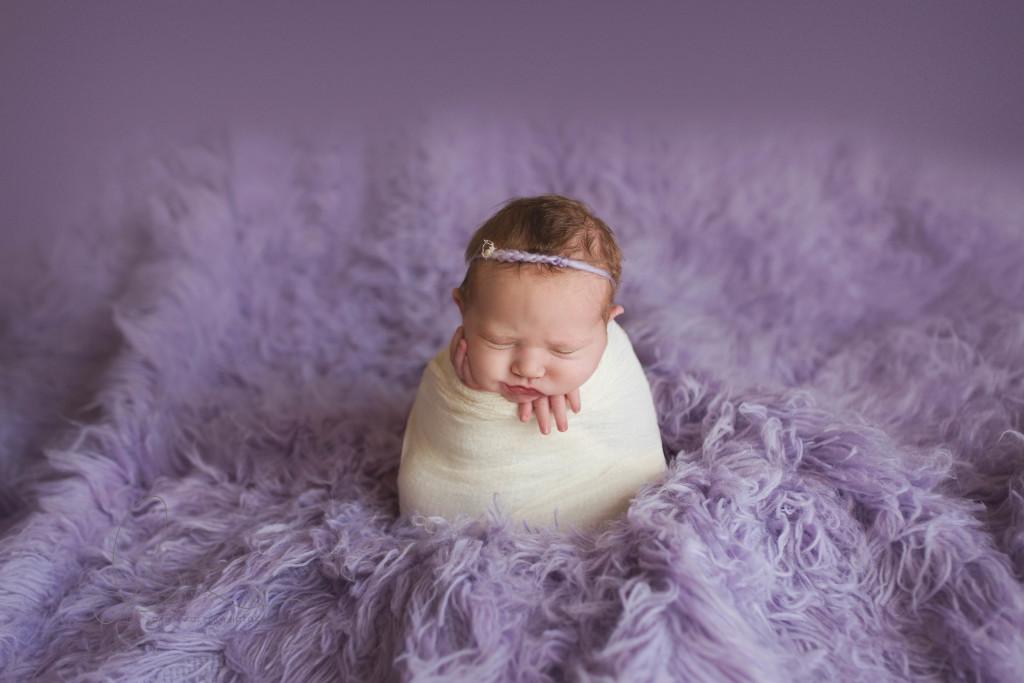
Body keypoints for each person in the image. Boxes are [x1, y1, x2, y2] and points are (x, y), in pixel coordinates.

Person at [398, 195, 666, 529]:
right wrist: (469, 394)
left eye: (562, 350)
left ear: (607, 325)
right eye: (500, 341)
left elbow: (629, 439)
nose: (528, 369)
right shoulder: (450, 369)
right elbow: (434, 478)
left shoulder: (612, 359)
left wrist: (581, 380)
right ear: (462, 308)